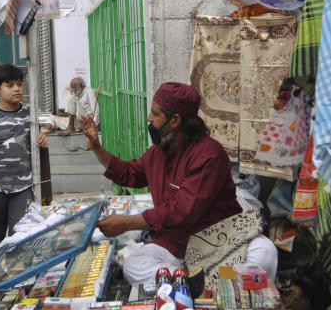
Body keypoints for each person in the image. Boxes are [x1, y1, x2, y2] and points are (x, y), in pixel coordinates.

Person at [79, 81, 241, 284]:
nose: (149, 118)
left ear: (174, 120)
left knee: (265, 253)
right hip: (176, 243)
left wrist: (128, 223)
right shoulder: (158, 152)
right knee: (133, 266)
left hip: (216, 243)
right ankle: (191, 279)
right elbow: (130, 174)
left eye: (155, 114)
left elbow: (181, 211)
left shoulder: (209, 155)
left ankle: (190, 279)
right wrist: (96, 147)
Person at [0, 63, 48, 262]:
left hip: (23, 187)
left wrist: (42, 135)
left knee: (22, 236)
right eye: (10, 85)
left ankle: (19, 281)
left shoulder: (30, 114)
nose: (17, 89)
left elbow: (49, 124)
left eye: (20, 84)